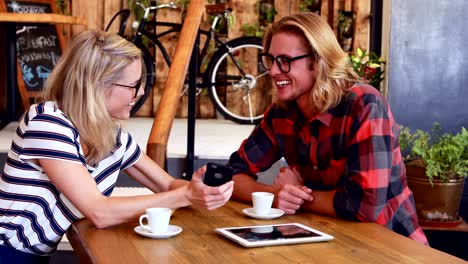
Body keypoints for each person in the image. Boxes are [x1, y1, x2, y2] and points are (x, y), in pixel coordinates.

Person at [0, 30, 234, 263]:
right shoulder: (48, 122)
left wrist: (201, 191)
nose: (141, 92)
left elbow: (167, 184)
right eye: (133, 85)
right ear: (97, 85)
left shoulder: (113, 136)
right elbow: (99, 211)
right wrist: (186, 195)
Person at [227, 12, 428, 245]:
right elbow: (231, 175)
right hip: (325, 240)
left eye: (285, 60)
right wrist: (276, 196)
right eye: (271, 59)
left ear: (318, 61)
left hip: (392, 246)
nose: (272, 71)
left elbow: (365, 206)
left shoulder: (364, 105)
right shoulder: (280, 114)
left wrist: (299, 194)